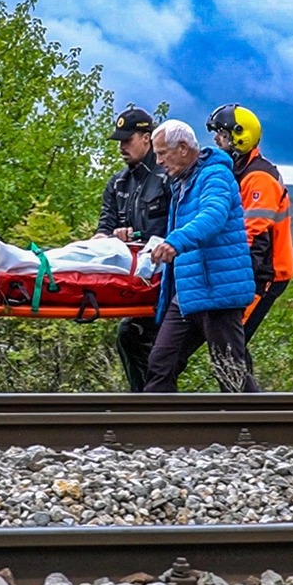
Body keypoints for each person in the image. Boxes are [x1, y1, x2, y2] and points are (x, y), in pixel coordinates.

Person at [143, 120, 259, 393]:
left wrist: (175, 243)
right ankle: (157, 432)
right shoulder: (182, 182)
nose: (158, 161)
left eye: (162, 153)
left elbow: (213, 216)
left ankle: (259, 430)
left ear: (183, 148)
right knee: (161, 364)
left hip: (218, 293)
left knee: (231, 376)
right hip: (189, 294)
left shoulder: (215, 176)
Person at [92, 107, 170, 392]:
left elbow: (178, 228)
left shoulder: (167, 177)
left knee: (150, 345)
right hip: (136, 281)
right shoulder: (118, 183)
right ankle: (147, 407)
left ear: (147, 138)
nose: (122, 147)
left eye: (128, 140)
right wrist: (111, 237)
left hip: (167, 279)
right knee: (129, 337)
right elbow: (102, 230)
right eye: (119, 141)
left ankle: (156, 409)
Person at [205, 103, 293, 347]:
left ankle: (241, 385)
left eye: (222, 134)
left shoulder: (258, 178)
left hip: (265, 273)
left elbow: (253, 236)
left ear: (239, 137)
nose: (216, 140)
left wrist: (233, 279)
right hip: (253, 270)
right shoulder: (238, 171)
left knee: (232, 343)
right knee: (231, 343)